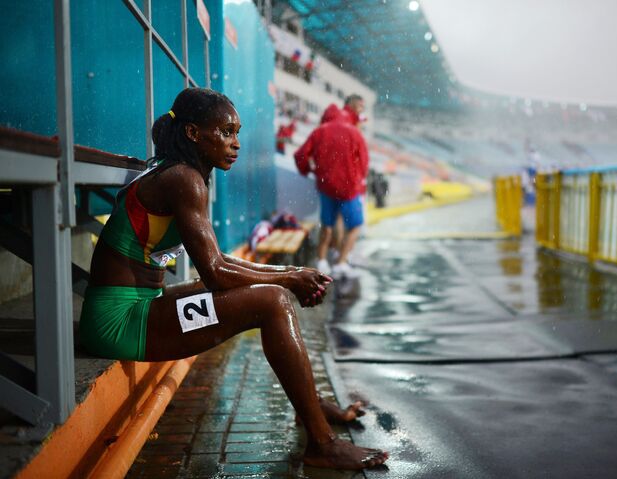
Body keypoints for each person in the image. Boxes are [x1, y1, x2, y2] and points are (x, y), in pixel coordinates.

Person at [79, 88, 387, 470]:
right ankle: (321, 443)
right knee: (272, 301)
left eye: (236, 132)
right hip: (120, 322)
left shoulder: (178, 171)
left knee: (272, 293)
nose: (236, 143)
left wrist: (287, 274)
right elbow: (217, 274)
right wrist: (289, 279)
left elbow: (218, 261)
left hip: (138, 307)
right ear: (193, 133)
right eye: (225, 132)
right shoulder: (184, 179)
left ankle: (310, 405)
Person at [294, 96, 369, 279]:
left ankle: (322, 260)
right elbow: (364, 163)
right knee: (356, 226)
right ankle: (341, 263)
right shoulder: (354, 132)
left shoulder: (320, 131)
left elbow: (300, 155)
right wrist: (359, 182)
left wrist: (309, 170)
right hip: (349, 187)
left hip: (326, 186)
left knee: (328, 224)